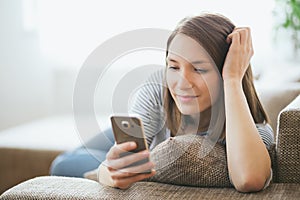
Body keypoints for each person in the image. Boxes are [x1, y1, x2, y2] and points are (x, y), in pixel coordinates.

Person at [50, 13, 274, 193]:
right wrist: (106, 172)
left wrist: (233, 80)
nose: (181, 83)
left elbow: (249, 179)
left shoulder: (255, 129)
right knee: (64, 162)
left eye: (199, 69)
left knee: (62, 164)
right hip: (150, 124)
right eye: (174, 66)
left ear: (228, 71)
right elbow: (120, 165)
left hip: (156, 131)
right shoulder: (158, 91)